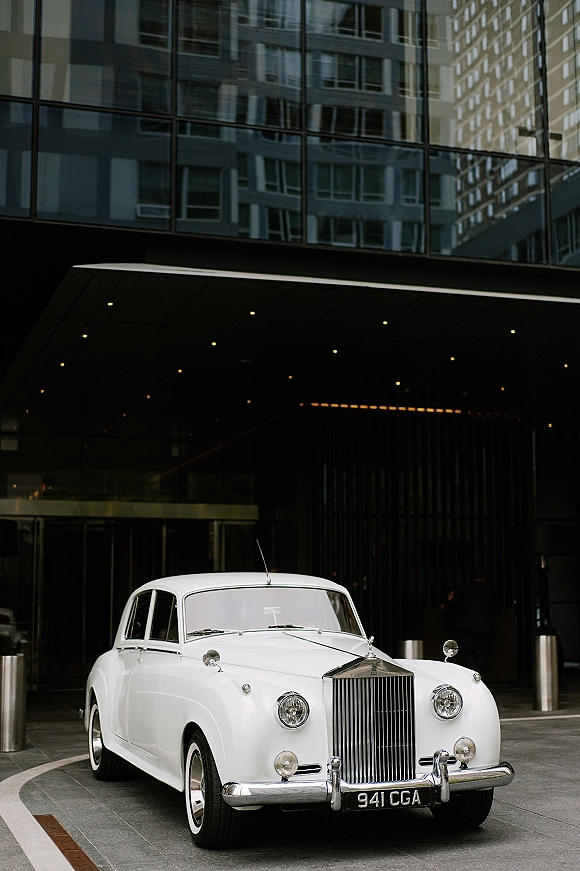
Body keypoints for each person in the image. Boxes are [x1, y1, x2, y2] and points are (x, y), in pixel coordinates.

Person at [444, 570, 500, 675]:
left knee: (465, 650)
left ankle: (474, 672)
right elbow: (496, 609)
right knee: (481, 653)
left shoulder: (464, 589)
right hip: (484, 626)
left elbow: (454, 606)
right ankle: (479, 673)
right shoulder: (489, 591)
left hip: (466, 625)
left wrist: (447, 603)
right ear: (484, 578)